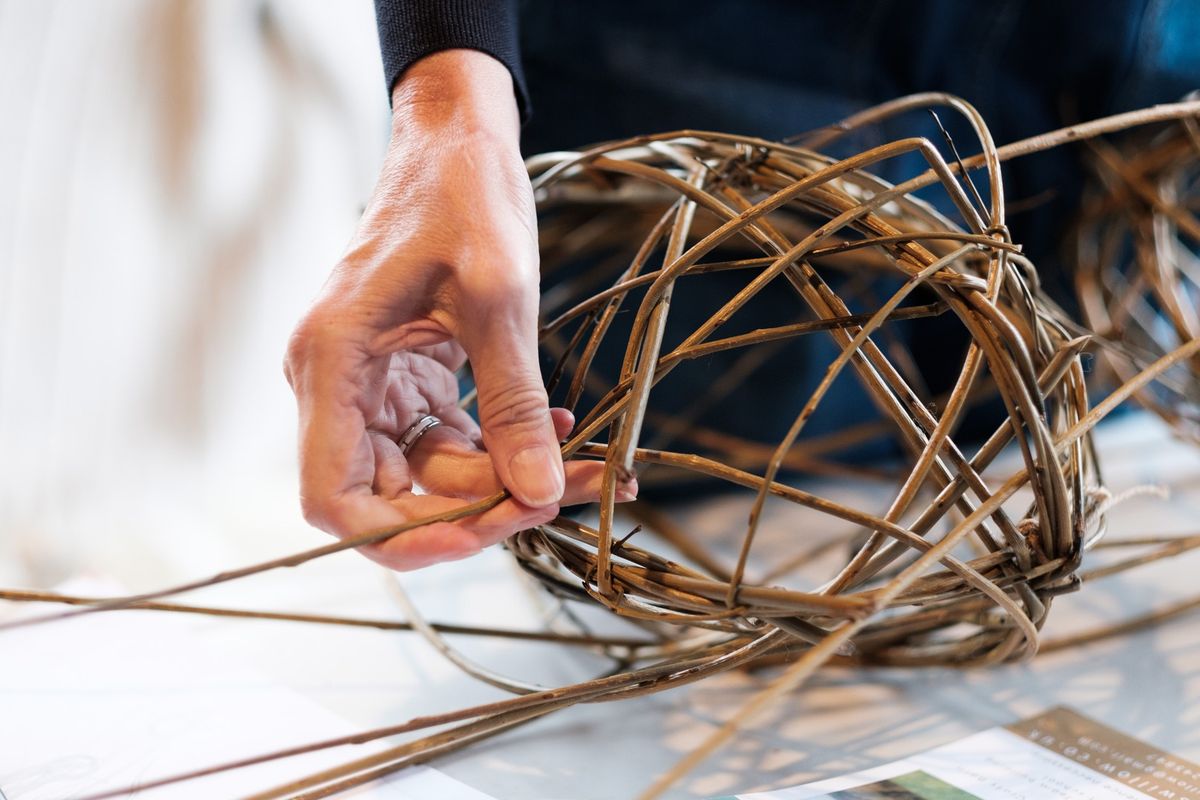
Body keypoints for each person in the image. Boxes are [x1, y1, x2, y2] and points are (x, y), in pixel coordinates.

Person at [283, 0, 1199, 572]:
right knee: (668, 541)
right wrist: (451, 105)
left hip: (1128, 105)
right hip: (709, 83)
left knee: (1084, 497)